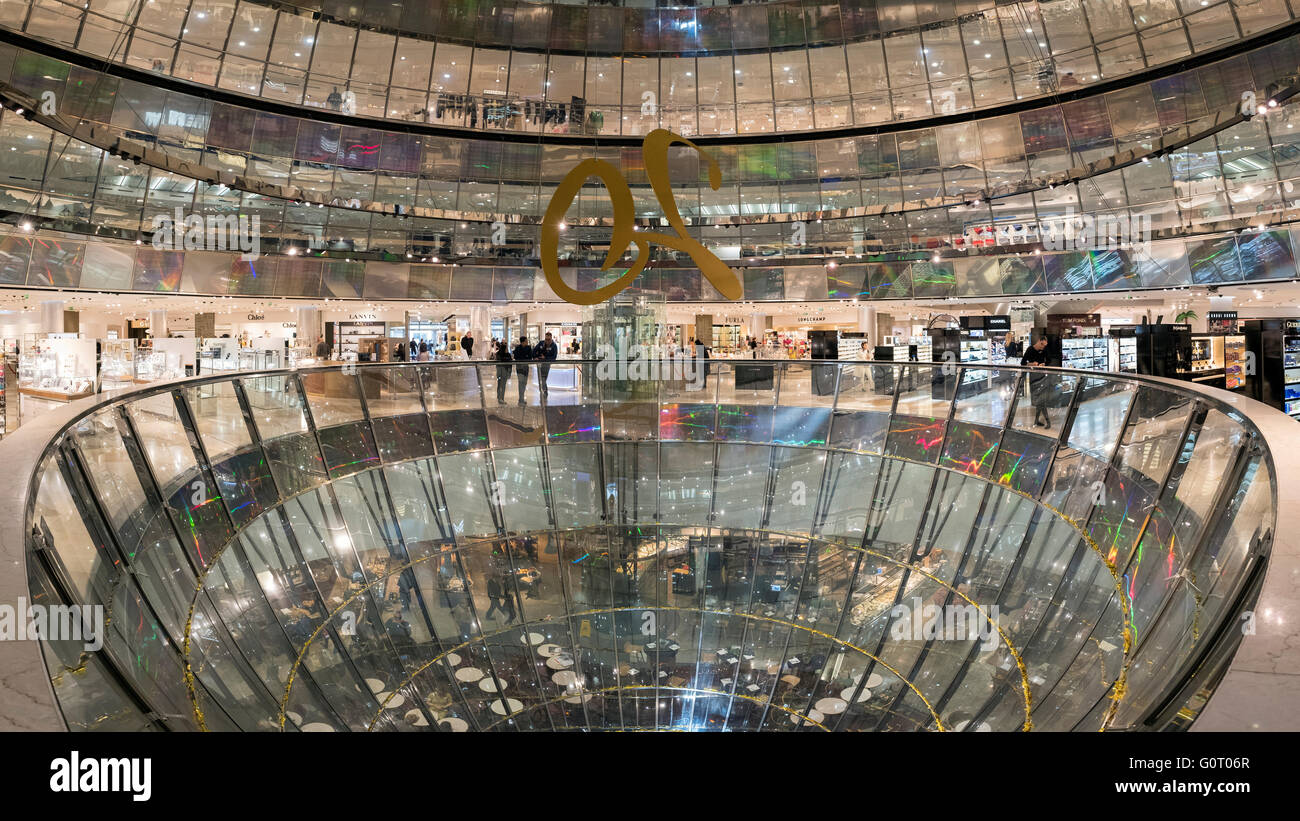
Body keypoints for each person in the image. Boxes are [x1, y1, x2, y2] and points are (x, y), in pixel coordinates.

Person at [1021, 335, 1052, 428]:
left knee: (1041, 401)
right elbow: (1022, 363)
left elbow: (1049, 360)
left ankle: (1047, 421)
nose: (1043, 347)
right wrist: (1031, 364)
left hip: (1042, 376)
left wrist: (1044, 364)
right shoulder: (1030, 349)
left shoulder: (1045, 350)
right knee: (1039, 401)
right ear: (1038, 341)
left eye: (1044, 345)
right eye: (1042, 344)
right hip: (1034, 377)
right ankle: (1037, 420)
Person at [534, 331, 559, 397]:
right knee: (541, 378)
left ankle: (544, 391)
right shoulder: (541, 343)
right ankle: (543, 391)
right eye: (546, 339)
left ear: (551, 339)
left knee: (543, 378)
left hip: (546, 364)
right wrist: (535, 357)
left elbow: (554, 357)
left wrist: (545, 357)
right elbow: (534, 350)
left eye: (548, 339)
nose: (547, 341)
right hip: (539, 363)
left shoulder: (554, 345)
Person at [512, 335, 533, 405]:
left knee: (524, 383)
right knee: (521, 382)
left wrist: (524, 357)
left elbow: (530, 357)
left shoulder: (528, 348)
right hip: (520, 367)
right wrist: (525, 357)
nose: (527, 342)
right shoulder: (518, 348)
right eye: (526, 341)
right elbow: (516, 357)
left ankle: (521, 398)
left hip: (525, 367)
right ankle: (521, 399)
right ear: (522, 342)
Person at [494, 339, 514, 404]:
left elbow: (509, 363)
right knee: (501, 385)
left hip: (502, 372)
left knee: (501, 385)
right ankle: (500, 398)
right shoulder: (505, 355)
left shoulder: (501, 354)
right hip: (502, 372)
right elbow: (509, 362)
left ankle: (500, 397)